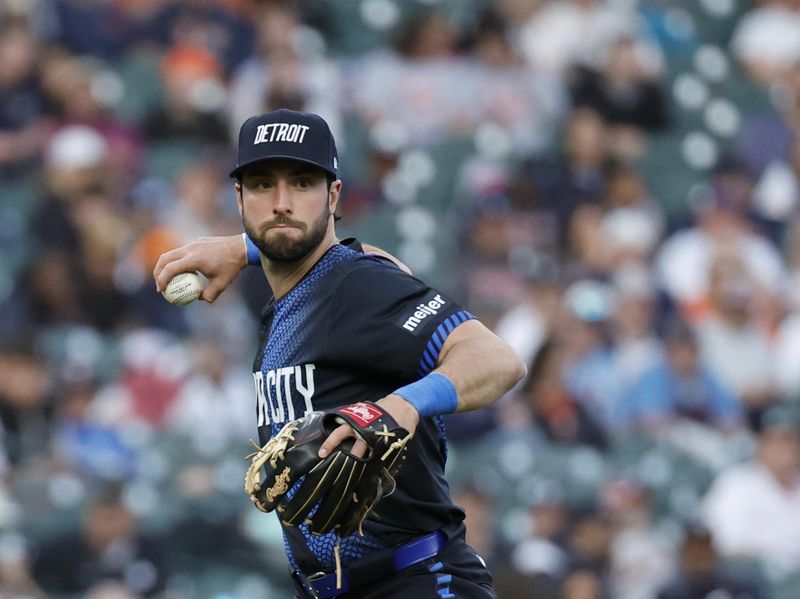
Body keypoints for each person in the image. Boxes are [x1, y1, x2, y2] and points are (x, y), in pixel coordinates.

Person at [153, 108, 526, 598]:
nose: (282, 202)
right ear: (239, 198)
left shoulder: (351, 284)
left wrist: (404, 404)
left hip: (415, 582)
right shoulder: (298, 295)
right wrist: (248, 248)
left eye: (303, 183)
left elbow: (498, 359)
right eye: (263, 184)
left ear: (333, 196)